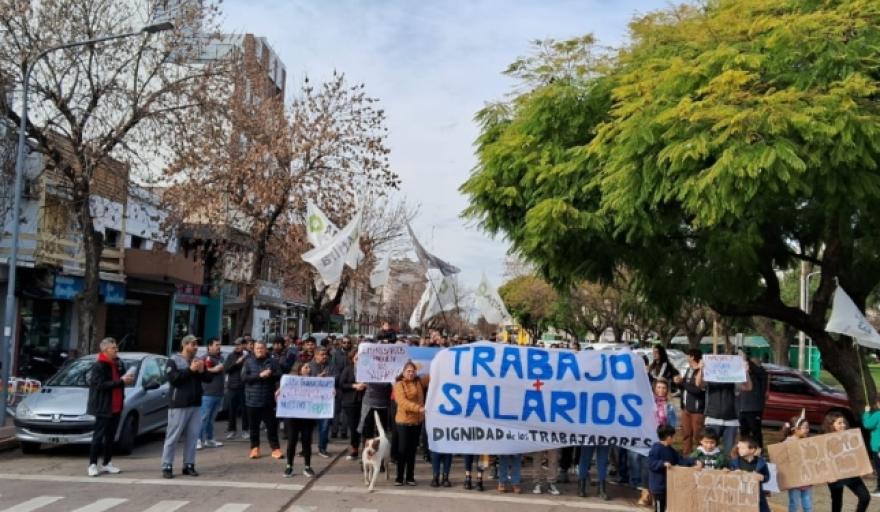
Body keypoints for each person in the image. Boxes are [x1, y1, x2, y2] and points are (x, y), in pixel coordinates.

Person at [161, 335, 209, 479]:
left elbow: (208, 379)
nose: (196, 347)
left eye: (196, 345)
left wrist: (201, 371)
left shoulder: (198, 360)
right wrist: (190, 370)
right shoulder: (173, 360)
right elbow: (174, 379)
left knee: (193, 436)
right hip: (179, 404)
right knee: (173, 436)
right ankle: (167, 465)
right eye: (193, 344)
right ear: (185, 345)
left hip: (195, 404)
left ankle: (189, 464)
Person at [86, 337, 134, 477]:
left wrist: (126, 379)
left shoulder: (117, 363)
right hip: (104, 406)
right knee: (98, 436)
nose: (116, 350)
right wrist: (120, 381)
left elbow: (119, 381)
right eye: (114, 348)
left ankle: (107, 463)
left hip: (117, 405)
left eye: (116, 348)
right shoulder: (99, 365)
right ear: (105, 350)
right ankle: (92, 464)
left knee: (111, 436)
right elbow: (99, 385)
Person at [697, 354, 752, 455]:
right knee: (709, 450)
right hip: (713, 418)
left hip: (731, 420)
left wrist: (746, 372)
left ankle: (727, 469)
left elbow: (748, 387)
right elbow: (699, 384)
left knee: (729, 452)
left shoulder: (734, 379)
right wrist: (701, 370)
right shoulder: (710, 377)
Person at [242, 340, 282, 460]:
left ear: (266, 349)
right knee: (253, 427)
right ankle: (255, 448)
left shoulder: (273, 362)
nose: (259, 350)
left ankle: (275, 449)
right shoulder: (248, 362)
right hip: (252, 400)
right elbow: (244, 378)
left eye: (261, 348)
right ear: (253, 349)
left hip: (268, 400)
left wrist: (270, 374)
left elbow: (280, 375)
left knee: (272, 427)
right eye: (257, 348)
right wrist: (260, 375)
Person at [824, 412, 870, 512]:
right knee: (837, 502)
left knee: (865, 497)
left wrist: (863, 468)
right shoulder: (824, 440)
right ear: (831, 424)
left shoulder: (851, 437)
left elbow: (858, 454)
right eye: (839, 423)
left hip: (851, 473)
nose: (843, 425)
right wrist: (828, 475)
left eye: (844, 422)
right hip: (835, 475)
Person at [279, 362, 317, 478]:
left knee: (306, 442)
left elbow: (321, 394)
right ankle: (289, 466)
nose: (308, 369)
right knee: (292, 442)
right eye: (306, 367)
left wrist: (330, 394)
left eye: (309, 367)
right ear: (299, 369)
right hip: (292, 417)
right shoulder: (289, 381)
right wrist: (279, 392)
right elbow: (281, 394)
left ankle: (307, 466)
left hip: (307, 417)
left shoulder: (314, 382)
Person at [393, 361, 428, 486]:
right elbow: (402, 402)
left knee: (412, 451)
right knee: (402, 450)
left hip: (417, 423)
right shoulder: (399, 385)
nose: (411, 373)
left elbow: (431, 377)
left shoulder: (418, 382)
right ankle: (399, 477)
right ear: (403, 372)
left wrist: (440, 364)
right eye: (408, 371)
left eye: (413, 371)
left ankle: (410, 477)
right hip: (403, 422)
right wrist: (418, 408)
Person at [647, 424, 693, 512]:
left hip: (667, 486)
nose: (675, 439)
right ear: (668, 437)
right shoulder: (656, 449)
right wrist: (662, 463)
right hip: (658, 487)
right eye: (673, 437)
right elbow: (651, 463)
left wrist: (693, 461)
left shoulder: (671, 450)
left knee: (665, 507)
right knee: (659, 508)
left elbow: (680, 460)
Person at [674, 348, 705, 455]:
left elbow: (697, 390)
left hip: (696, 410)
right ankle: (686, 455)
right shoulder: (689, 370)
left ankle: (701, 455)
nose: (687, 358)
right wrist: (679, 383)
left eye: (688, 355)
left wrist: (683, 384)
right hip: (685, 408)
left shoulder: (701, 372)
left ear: (692, 357)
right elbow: (685, 387)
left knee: (697, 435)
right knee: (686, 434)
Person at [309, 347, 338, 458]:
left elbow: (337, 377)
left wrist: (328, 379)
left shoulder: (331, 366)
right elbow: (303, 380)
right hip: (311, 401)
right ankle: (305, 448)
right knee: (308, 428)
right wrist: (317, 378)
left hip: (325, 402)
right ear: (315, 356)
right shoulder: (309, 366)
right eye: (322, 354)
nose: (324, 356)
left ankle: (322, 448)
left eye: (325, 354)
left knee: (324, 426)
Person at [729, 436, 771, 512]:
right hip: (739, 495)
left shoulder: (761, 463)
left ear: (752, 450)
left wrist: (762, 477)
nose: (739, 450)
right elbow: (727, 478)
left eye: (742, 448)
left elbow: (767, 477)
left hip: (757, 495)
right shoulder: (734, 462)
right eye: (739, 448)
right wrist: (733, 474)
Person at [781, 414, 813, 512]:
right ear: (795, 429)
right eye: (805, 427)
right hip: (794, 480)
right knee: (794, 503)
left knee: (808, 504)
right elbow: (782, 458)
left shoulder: (809, 441)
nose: (807, 430)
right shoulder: (788, 442)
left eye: (808, 427)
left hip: (807, 478)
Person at [337, 348, 365, 460]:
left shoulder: (367, 370)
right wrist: (354, 386)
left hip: (364, 401)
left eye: (361, 358)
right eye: (356, 358)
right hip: (350, 401)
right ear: (352, 358)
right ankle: (354, 449)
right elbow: (341, 384)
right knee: (354, 427)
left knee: (365, 426)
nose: (358, 360)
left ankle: (366, 449)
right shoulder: (348, 369)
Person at [197, 338, 225, 450]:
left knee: (211, 419)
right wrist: (215, 369)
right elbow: (205, 370)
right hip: (207, 393)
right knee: (203, 417)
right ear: (209, 346)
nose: (219, 347)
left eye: (219, 345)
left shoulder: (221, 358)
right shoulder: (204, 358)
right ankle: (198, 440)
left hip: (219, 392)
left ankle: (209, 439)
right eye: (216, 345)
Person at [737, 355, 768, 449]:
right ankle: (744, 449)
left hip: (754, 409)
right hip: (742, 409)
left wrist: (747, 360)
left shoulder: (761, 375)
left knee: (756, 432)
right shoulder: (744, 375)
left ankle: (759, 450)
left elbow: (757, 371)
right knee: (743, 432)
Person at [224, 337, 249, 440]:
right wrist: (237, 363)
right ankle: (232, 430)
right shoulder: (230, 356)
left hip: (244, 386)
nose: (237, 346)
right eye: (236, 345)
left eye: (240, 345)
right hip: (232, 387)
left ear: (243, 346)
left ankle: (245, 430)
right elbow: (227, 369)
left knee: (245, 410)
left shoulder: (247, 356)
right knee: (232, 410)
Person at [862, 398, 880, 497]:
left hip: (878, 447)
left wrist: (866, 412)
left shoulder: (877, 415)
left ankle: (879, 489)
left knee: (879, 468)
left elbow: (867, 424)